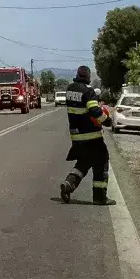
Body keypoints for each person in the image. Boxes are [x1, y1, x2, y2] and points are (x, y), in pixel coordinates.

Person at [59, 65, 115, 206]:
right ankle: (99, 197)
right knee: (102, 161)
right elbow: (94, 110)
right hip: (91, 136)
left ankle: (68, 184)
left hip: (76, 137)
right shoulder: (88, 91)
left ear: (77, 74)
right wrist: (107, 121)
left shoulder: (70, 89)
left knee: (84, 162)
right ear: (88, 77)